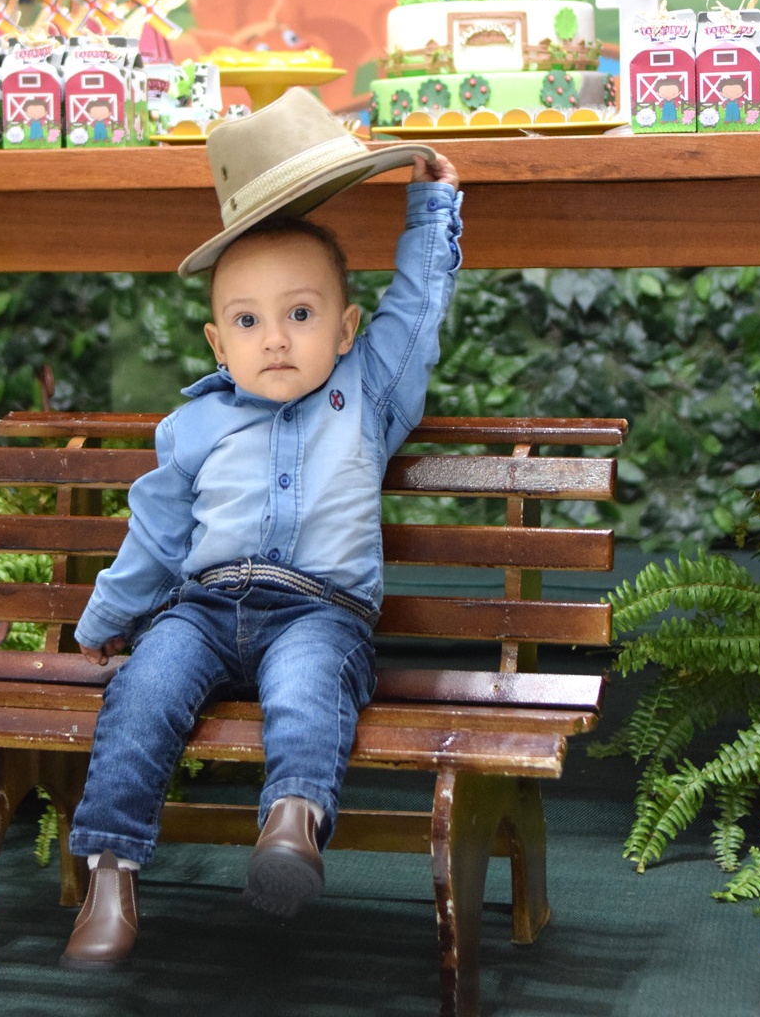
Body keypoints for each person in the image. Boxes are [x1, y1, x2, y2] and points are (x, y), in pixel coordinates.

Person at [60, 89, 462, 972]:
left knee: (310, 687)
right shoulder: (192, 427)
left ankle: (291, 826)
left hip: (319, 612)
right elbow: (155, 540)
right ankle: (110, 880)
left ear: (346, 330)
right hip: (202, 610)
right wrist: (104, 621)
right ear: (218, 343)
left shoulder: (368, 394)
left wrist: (432, 210)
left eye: (301, 314)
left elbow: (417, 310)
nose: (275, 339)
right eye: (248, 321)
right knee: (142, 693)